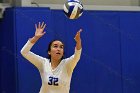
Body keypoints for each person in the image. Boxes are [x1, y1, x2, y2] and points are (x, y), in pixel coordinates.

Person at [20, 22, 82, 93]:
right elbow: (24, 52)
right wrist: (36, 37)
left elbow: (77, 56)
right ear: (49, 52)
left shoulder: (67, 64)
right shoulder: (43, 63)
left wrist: (78, 42)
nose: (58, 49)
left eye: (61, 47)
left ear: (63, 52)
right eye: (55, 46)